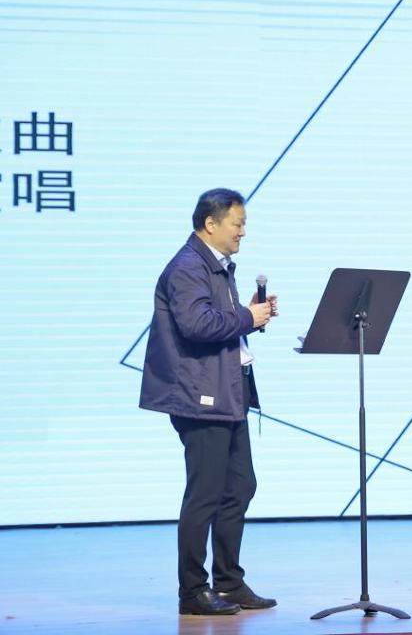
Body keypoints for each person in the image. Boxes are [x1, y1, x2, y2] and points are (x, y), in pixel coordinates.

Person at [139, 188, 279, 616]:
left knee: (240, 486)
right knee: (205, 493)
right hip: (199, 398)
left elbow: (219, 321)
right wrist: (246, 317)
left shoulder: (216, 266)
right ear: (210, 223)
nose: (243, 232)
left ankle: (229, 583)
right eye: (237, 223)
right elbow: (197, 324)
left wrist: (248, 316)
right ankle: (193, 590)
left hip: (226, 393)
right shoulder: (187, 267)